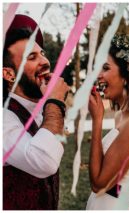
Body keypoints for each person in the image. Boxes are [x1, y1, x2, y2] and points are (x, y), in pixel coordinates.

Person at [3, 15, 69, 210]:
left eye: (42, 53)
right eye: (32, 57)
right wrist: (55, 100)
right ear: (8, 74)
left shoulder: (41, 111)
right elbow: (45, 161)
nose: (45, 61)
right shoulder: (4, 118)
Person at [86, 34, 129, 210]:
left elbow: (99, 185)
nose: (99, 75)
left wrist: (97, 120)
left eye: (105, 68)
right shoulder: (121, 114)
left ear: (125, 76)